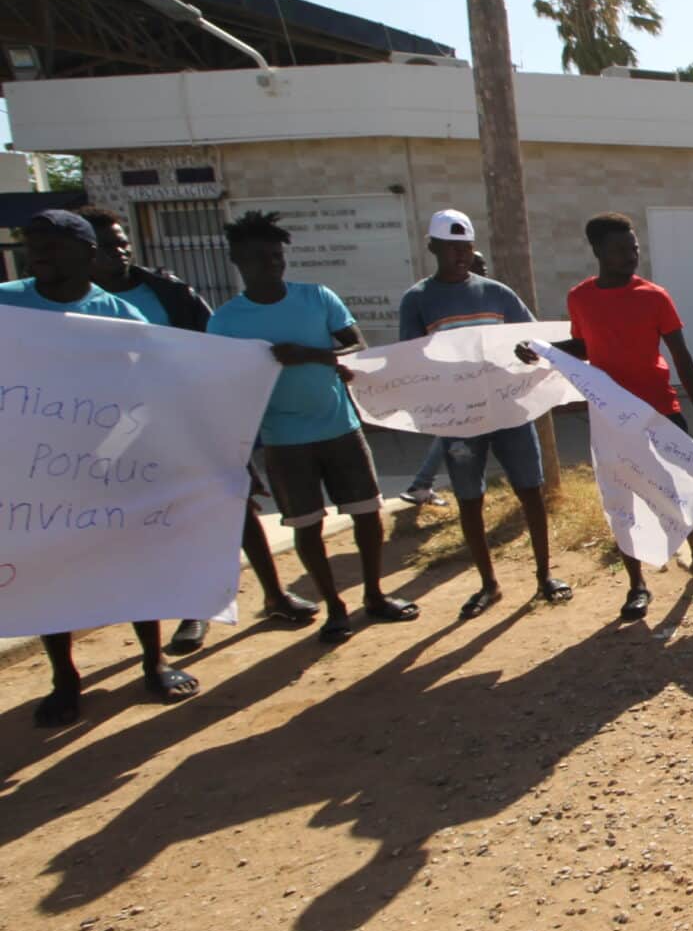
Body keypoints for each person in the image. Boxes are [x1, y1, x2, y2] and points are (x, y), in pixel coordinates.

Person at [81, 207, 319, 652]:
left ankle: (275, 593)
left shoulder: (167, 293)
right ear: (84, 252)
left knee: (235, 504)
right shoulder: (72, 304)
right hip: (117, 431)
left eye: (123, 240)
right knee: (155, 521)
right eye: (109, 244)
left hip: (187, 418)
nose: (122, 249)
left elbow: (215, 356)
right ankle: (195, 609)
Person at [1, 210, 198, 725]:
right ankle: (65, 676)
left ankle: (152, 662)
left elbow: (146, 398)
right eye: (32, 243)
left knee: (133, 566)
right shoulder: (7, 304)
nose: (38, 253)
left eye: (52, 244)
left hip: (108, 469)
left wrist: (107, 455)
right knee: (50, 571)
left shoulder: (122, 318)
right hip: (31, 473)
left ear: (88, 254)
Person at [209, 211, 419, 644]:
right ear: (238, 262)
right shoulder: (226, 321)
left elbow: (355, 344)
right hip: (284, 441)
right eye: (260, 259)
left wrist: (312, 354)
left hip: (340, 427)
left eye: (277, 256)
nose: (272, 265)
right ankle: (335, 608)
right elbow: (221, 387)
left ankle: (375, 596)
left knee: (367, 514)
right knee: (306, 526)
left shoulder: (318, 298)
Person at [519, 211, 693, 621]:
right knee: (623, 499)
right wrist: (542, 348)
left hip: (660, 411)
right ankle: (637, 583)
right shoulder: (580, 298)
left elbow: (681, 357)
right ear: (597, 251)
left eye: (633, 248)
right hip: (611, 417)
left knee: (681, 486)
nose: (631, 255)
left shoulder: (654, 296)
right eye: (620, 249)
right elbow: (583, 346)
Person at [398, 210, 571, 616]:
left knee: (530, 491)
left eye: (466, 248)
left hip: (509, 411)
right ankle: (488, 584)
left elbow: (533, 340)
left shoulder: (497, 293)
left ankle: (545, 575)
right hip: (460, 418)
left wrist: (530, 353)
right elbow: (409, 358)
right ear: (433, 248)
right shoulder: (419, 299)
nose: (459, 255)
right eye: (450, 248)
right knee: (469, 499)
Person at [400, 246, 492, 507]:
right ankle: (422, 484)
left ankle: (421, 483)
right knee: (454, 438)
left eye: (483, 267)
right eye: (479, 266)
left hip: (485, 387)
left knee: (451, 435)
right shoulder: (427, 298)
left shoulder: (492, 295)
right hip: (458, 387)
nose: (483, 272)